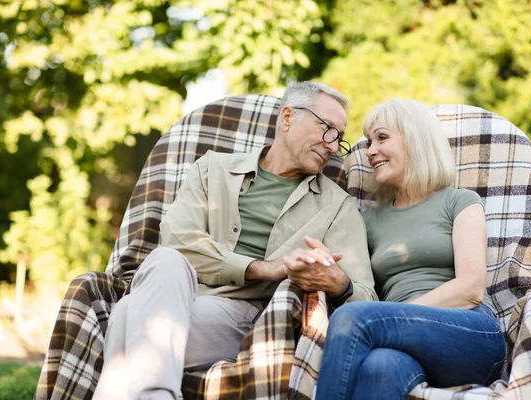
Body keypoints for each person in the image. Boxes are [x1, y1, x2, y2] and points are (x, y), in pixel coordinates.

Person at [92, 82, 377, 399]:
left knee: (128, 315)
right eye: (328, 130)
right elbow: (176, 240)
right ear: (287, 117)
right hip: (178, 292)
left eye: (339, 137)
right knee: (165, 261)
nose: (334, 147)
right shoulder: (212, 169)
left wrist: (338, 283)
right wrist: (264, 268)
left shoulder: (337, 207)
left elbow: (367, 298)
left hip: (244, 318)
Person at [315, 99, 506, 399]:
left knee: (351, 318)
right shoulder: (367, 221)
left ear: (415, 139)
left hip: (469, 333)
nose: (370, 151)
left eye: (382, 137)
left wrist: (390, 317)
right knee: (379, 369)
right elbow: (358, 285)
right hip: (398, 344)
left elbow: (471, 288)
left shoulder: (459, 201)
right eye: (367, 142)